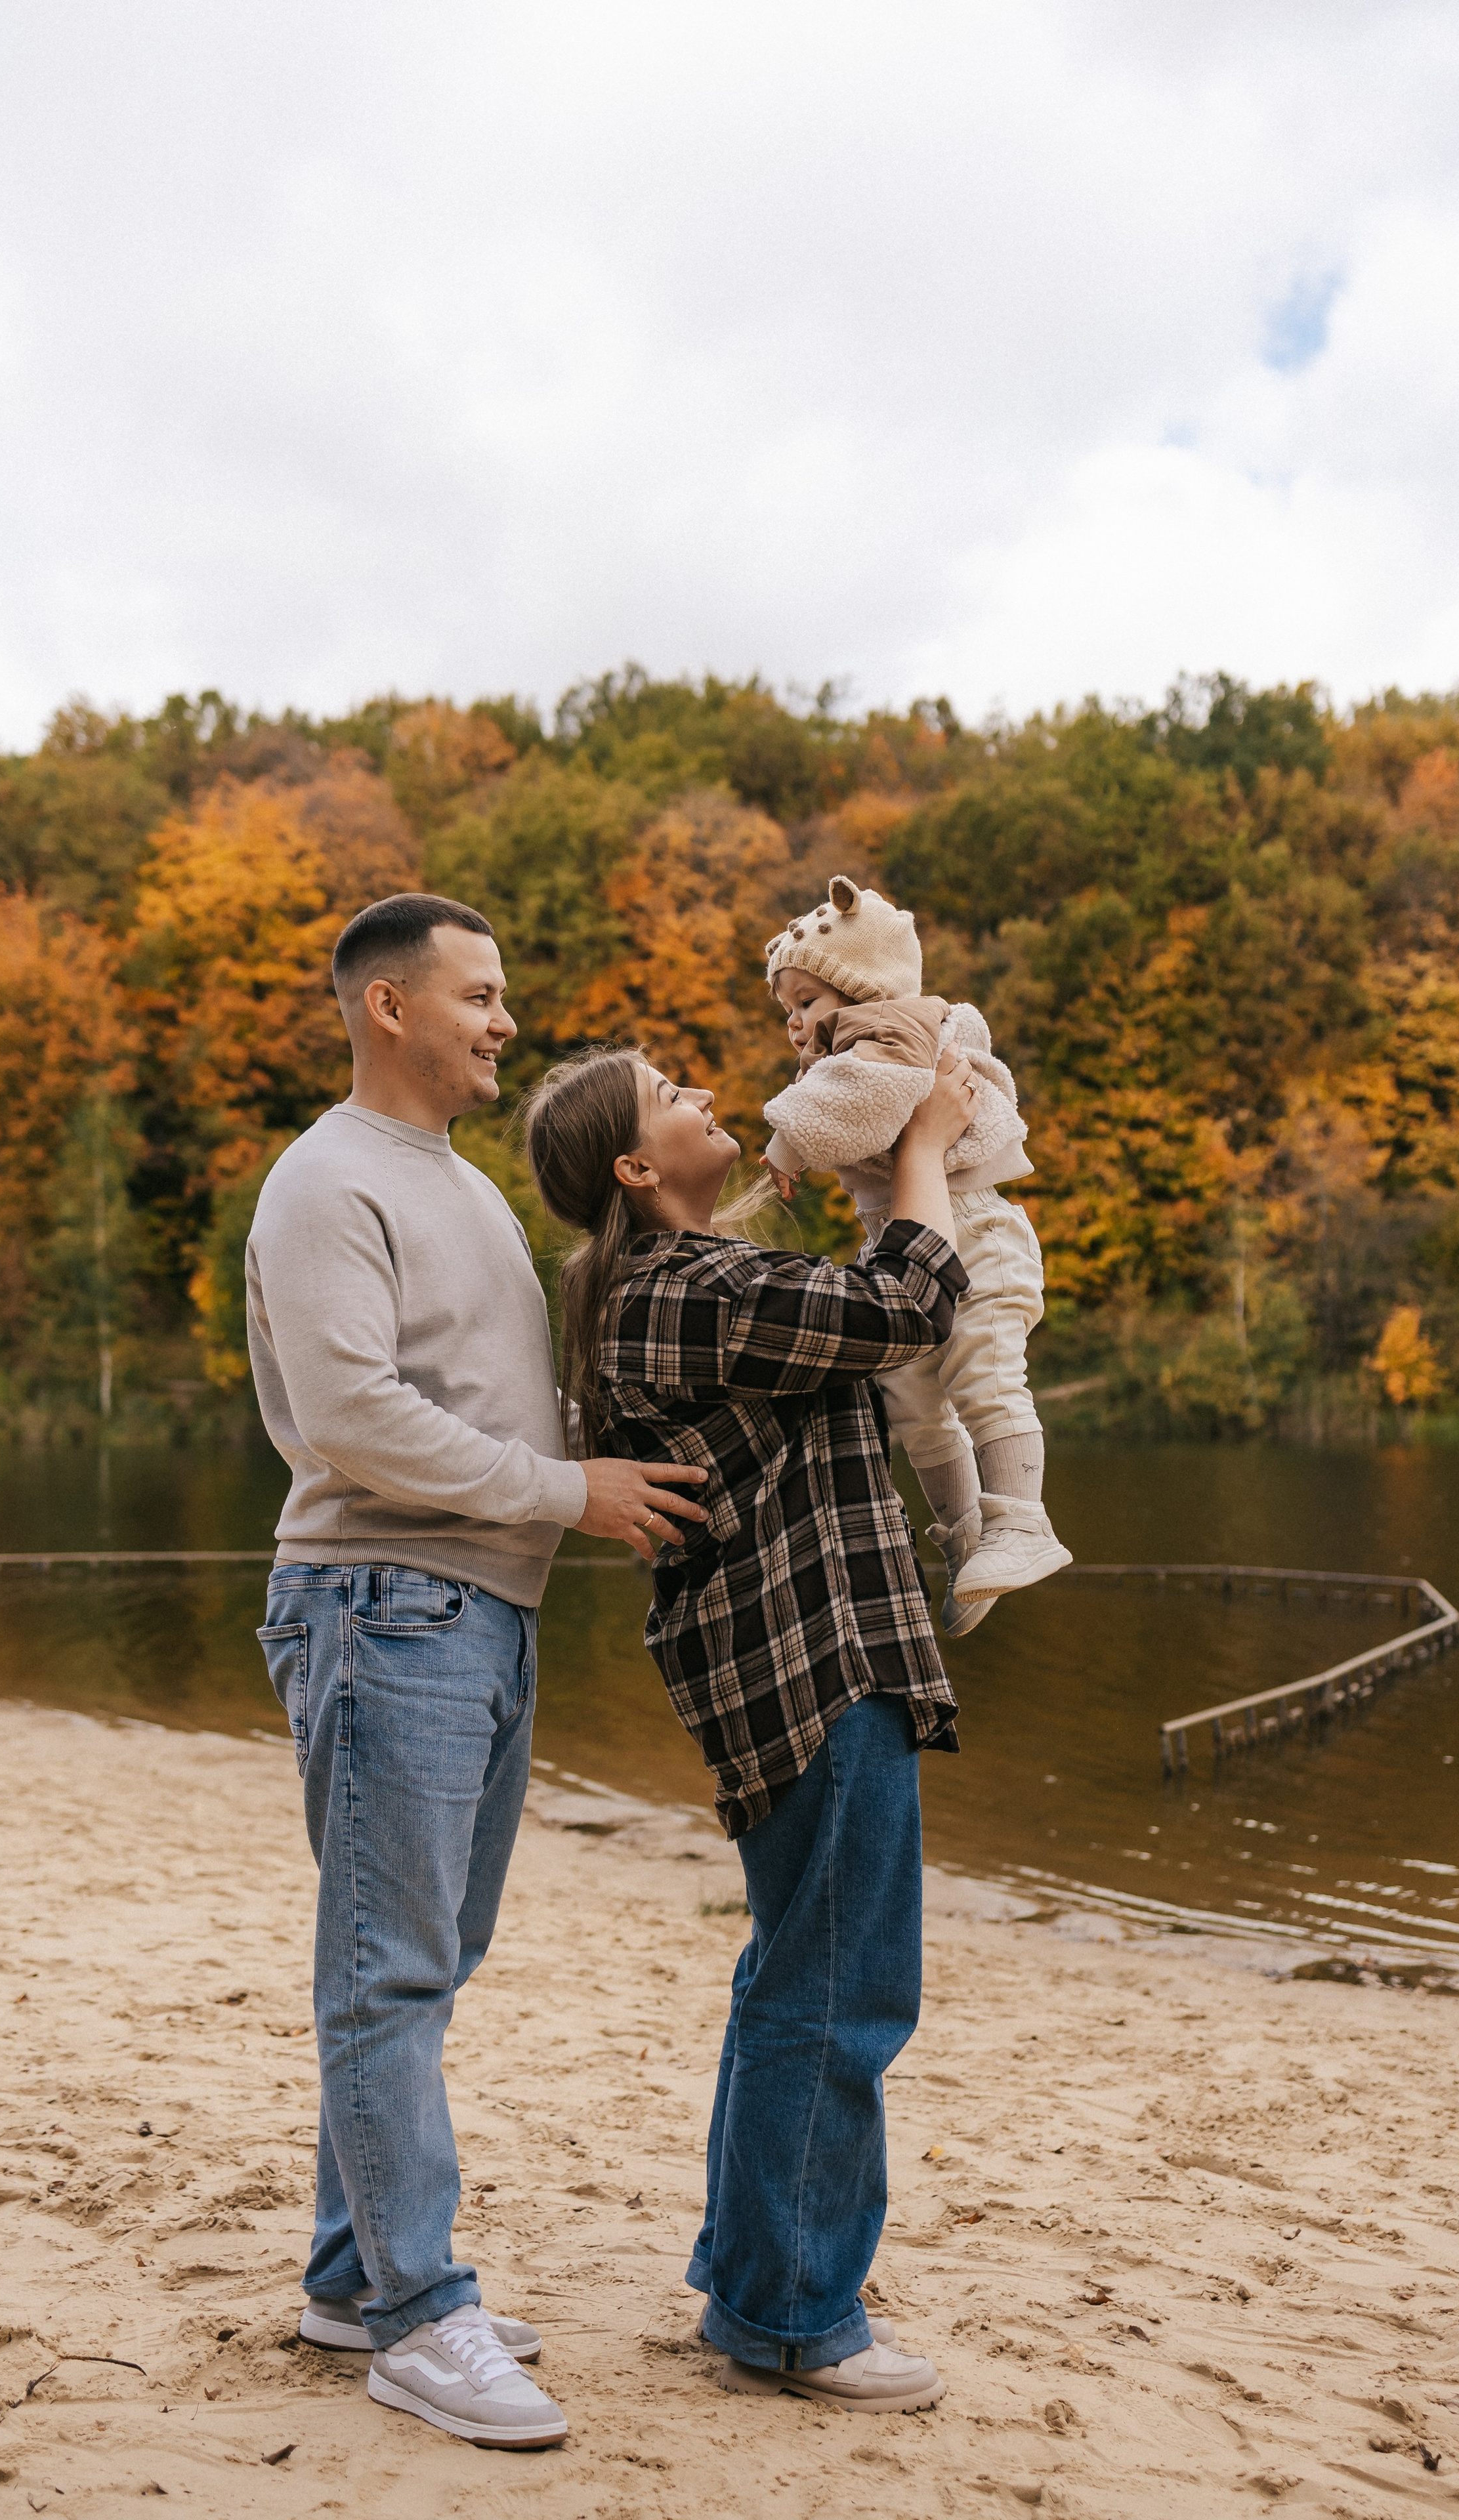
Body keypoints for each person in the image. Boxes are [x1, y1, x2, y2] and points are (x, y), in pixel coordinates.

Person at [244, 892, 709, 2451]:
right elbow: (358, 1415)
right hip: (384, 1604)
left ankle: (346, 2276)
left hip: (473, 1612)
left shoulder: (460, 1190)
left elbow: (503, 1403)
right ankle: (421, 2313)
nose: (506, 1020)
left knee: (421, 1955)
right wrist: (567, 1489)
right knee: (387, 1967)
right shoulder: (326, 1181)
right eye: (481, 993)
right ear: (389, 1007)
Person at [524, 1041, 976, 2412]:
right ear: (634, 1167)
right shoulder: (690, 1289)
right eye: (671, 1097)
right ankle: (791, 2317)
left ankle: (753, 2283)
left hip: (787, 1667)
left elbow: (856, 1307)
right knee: (838, 1988)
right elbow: (912, 1303)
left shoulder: (680, 1284)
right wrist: (922, 1144)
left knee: (797, 1971)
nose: (700, 1097)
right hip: (814, 1662)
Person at [761, 877, 1070, 1637]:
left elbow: (866, 1103)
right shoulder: (855, 1045)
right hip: (907, 1248)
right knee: (909, 1397)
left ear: (858, 983)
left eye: (807, 1004)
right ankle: (967, 1530)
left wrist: (789, 1137)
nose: (795, 1024)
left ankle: (1021, 1522)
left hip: (976, 1233)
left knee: (987, 1374)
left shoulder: (891, 1030)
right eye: (787, 1011)